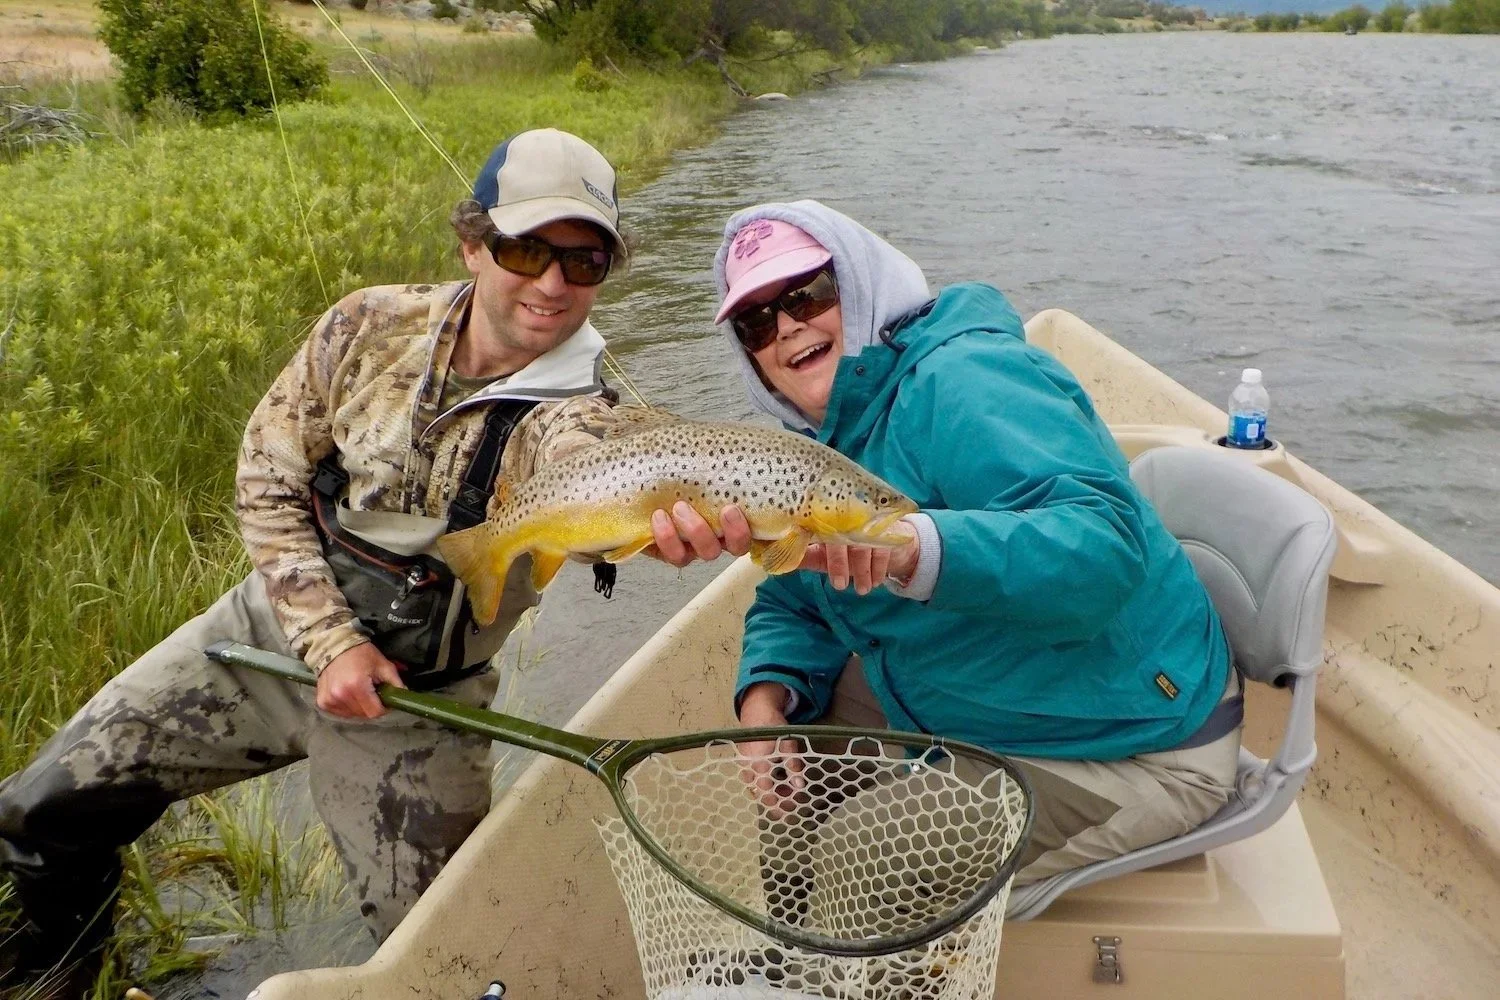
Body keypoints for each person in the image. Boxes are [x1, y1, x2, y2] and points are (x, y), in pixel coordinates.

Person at [0, 128, 631, 997]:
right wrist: (330, 639)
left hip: (423, 707)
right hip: (263, 632)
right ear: (471, 242)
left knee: (450, 964)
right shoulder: (367, 324)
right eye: (526, 249)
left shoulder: (591, 412)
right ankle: (56, 984)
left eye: (585, 262)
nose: (554, 284)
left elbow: (590, 477)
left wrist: (670, 529)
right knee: (39, 812)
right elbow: (266, 477)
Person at [665, 200, 1243, 890]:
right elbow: (795, 600)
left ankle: (861, 972)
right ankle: (799, 963)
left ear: (858, 284)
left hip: (1141, 734)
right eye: (758, 321)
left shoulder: (968, 380)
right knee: (799, 763)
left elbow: (1105, 550)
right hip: (1003, 694)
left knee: (868, 856)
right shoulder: (823, 441)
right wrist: (767, 695)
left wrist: (916, 548)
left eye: (807, 294)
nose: (787, 326)